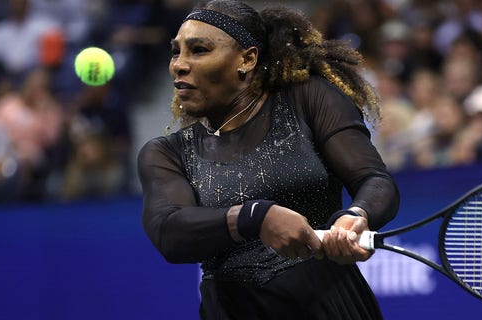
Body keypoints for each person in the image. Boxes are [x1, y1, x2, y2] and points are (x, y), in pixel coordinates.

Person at [136, 1, 400, 319]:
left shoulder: (309, 99)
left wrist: (356, 215)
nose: (178, 64)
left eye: (199, 50)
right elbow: (169, 232)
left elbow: (375, 180)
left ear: (247, 59)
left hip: (328, 305)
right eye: (176, 51)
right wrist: (254, 217)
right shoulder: (167, 153)